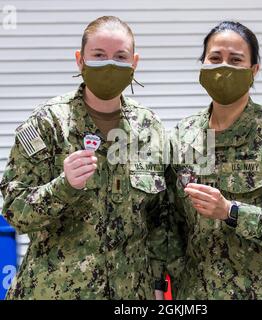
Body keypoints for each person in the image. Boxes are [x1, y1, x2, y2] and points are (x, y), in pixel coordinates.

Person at [0, 16, 168, 300]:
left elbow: (160, 218)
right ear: (80, 60)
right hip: (55, 291)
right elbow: (15, 212)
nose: (110, 65)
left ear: (134, 63)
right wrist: (63, 186)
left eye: (120, 56)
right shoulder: (48, 124)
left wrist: (158, 284)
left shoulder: (149, 127)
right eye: (99, 55)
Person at [167, 21, 262, 300]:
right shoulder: (181, 136)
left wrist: (230, 211)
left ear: (253, 70)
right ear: (203, 65)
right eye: (215, 58)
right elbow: (170, 222)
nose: (224, 67)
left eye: (236, 60)